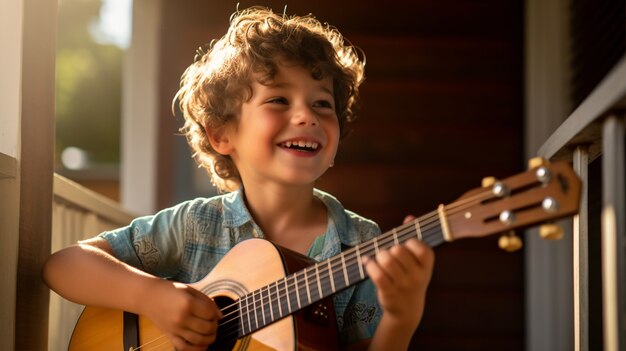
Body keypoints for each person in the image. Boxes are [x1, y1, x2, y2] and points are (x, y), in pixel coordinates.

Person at [43, 6, 434, 350]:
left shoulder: (362, 244)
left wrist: (401, 320)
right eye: (279, 99)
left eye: (322, 103)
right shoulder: (195, 226)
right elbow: (64, 265)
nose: (307, 116)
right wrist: (153, 297)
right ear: (221, 134)